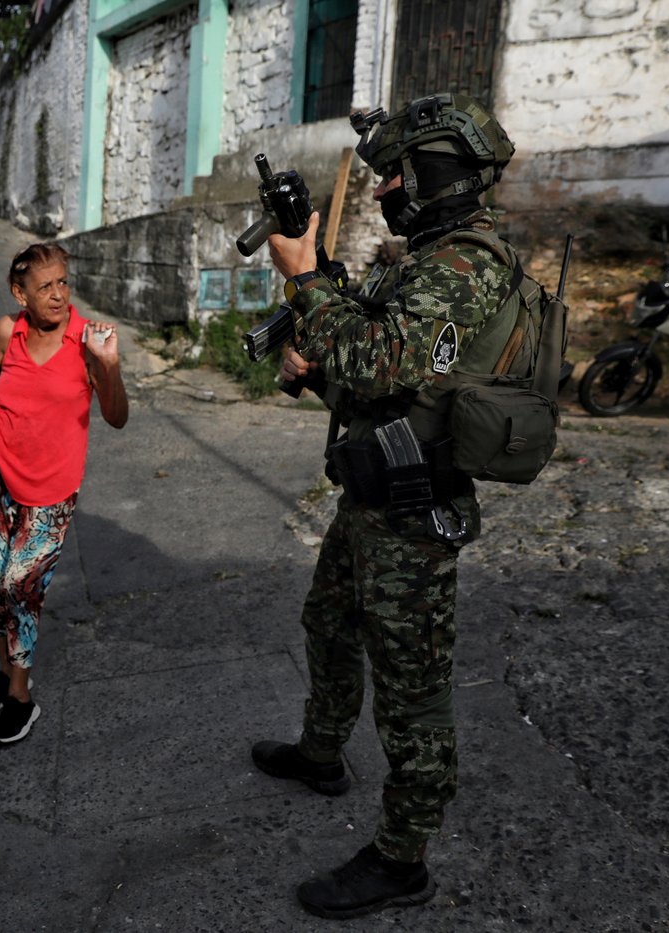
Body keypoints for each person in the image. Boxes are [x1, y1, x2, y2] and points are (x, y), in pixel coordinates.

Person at [252, 93, 518, 919]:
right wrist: (311, 357)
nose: (380, 190)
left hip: (414, 511)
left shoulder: (466, 266)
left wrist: (305, 279)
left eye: (394, 175)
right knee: (328, 624)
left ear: (435, 174)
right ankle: (321, 751)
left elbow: (380, 361)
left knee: (412, 690)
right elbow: (372, 372)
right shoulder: (424, 259)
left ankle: (403, 859)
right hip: (371, 495)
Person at [0, 243, 128, 745]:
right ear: (20, 295)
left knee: (21, 586)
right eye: (45, 287)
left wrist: (109, 365)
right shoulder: (7, 330)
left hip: (52, 489)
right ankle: (6, 674)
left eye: (63, 282)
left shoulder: (86, 340)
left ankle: (21, 696)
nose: (59, 294)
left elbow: (117, 417)